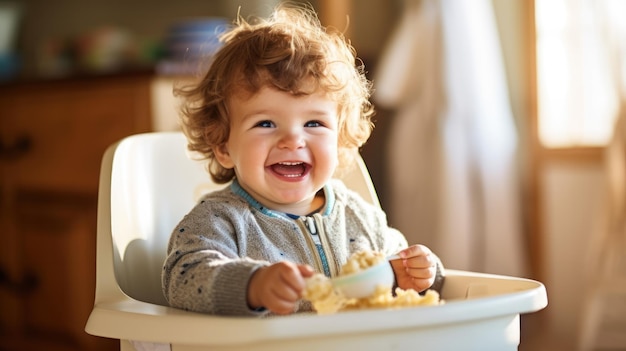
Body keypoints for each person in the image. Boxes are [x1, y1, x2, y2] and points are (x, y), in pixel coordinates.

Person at [161, 2, 445, 317]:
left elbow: (405, 272)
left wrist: (420, 273)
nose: (293, 140)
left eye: (314, 124)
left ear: (339, 141)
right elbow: (183, 278)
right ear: (224, 146)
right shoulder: (218, 222)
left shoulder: (361, 217)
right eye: (265, 123)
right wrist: (252, 285)